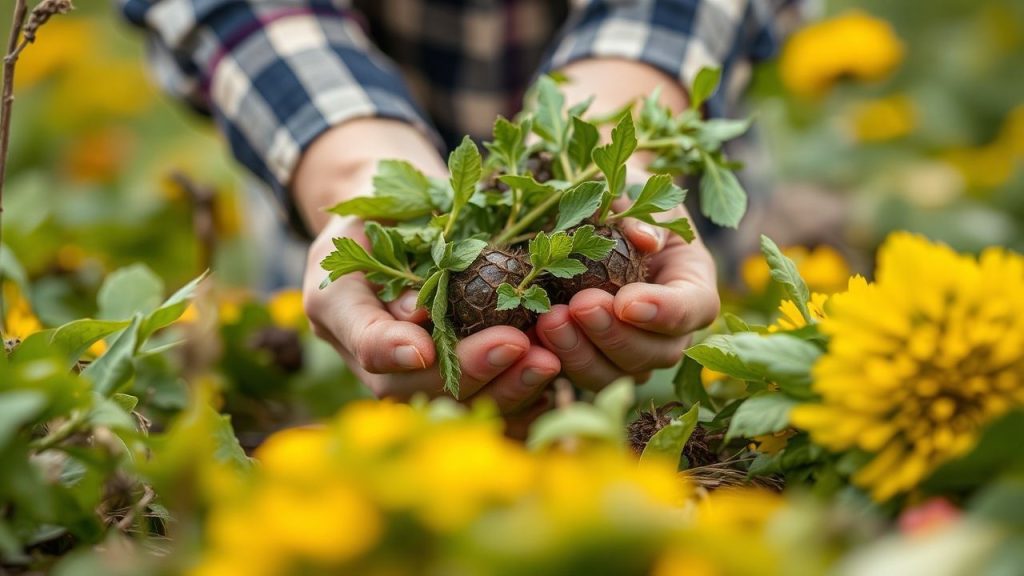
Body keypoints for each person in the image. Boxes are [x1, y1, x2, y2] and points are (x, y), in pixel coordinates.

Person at [123, 0, 791, 431]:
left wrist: (620, 130)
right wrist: (356, 172)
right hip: (345, 261)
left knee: (677, 412)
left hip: (671, 286)